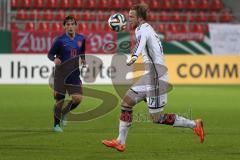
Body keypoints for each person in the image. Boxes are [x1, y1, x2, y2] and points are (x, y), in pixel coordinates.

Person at [102, 3, 204, 152]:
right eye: (128, 16)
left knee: (157, 118)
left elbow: (141, 42)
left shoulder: (142, 30)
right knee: (126, 102)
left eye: (131, 17)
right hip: (149, 75)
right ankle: (120, 141)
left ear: (140, 18)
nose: (128, 19)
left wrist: (134, 56)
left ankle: (194, 124)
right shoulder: (146, 28)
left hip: (156, 77)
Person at [48, 15, 86, 132]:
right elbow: (50, 54)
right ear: (64, 27)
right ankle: (56, 125)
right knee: (59, 100)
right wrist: (54, 59)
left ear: (76, 26)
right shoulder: (59, 41)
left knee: (78, 99)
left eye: (72, 24)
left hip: (74, 74)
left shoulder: (81, 39)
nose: (70, 26)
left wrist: (83, 60)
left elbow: (82, 51)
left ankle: (65, 112)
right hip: (61, 75)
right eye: (67, 24)